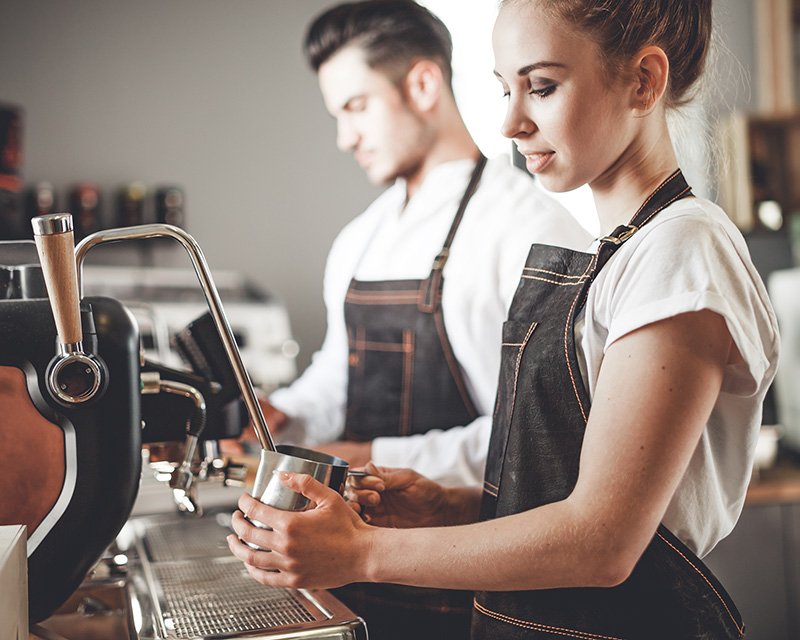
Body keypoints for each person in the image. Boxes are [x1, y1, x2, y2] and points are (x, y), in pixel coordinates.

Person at [229, 0, 780, 638]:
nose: (512, 122)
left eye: (541, 87)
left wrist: (362, 552)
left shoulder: (683, 247)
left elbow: (602, 543)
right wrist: (456, 505)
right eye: (504, 89)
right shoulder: (621, 252)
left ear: (644, 81)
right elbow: (574, 486)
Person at [256, 0, 590, 487]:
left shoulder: (530, 231)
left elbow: (539, 438)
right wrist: (283, 417)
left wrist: (367, 456)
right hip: (361, 545)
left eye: (356, 107)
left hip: (475, 546)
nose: (345, 138)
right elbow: (339, 374)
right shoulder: (360, 238)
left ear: (422, 85)